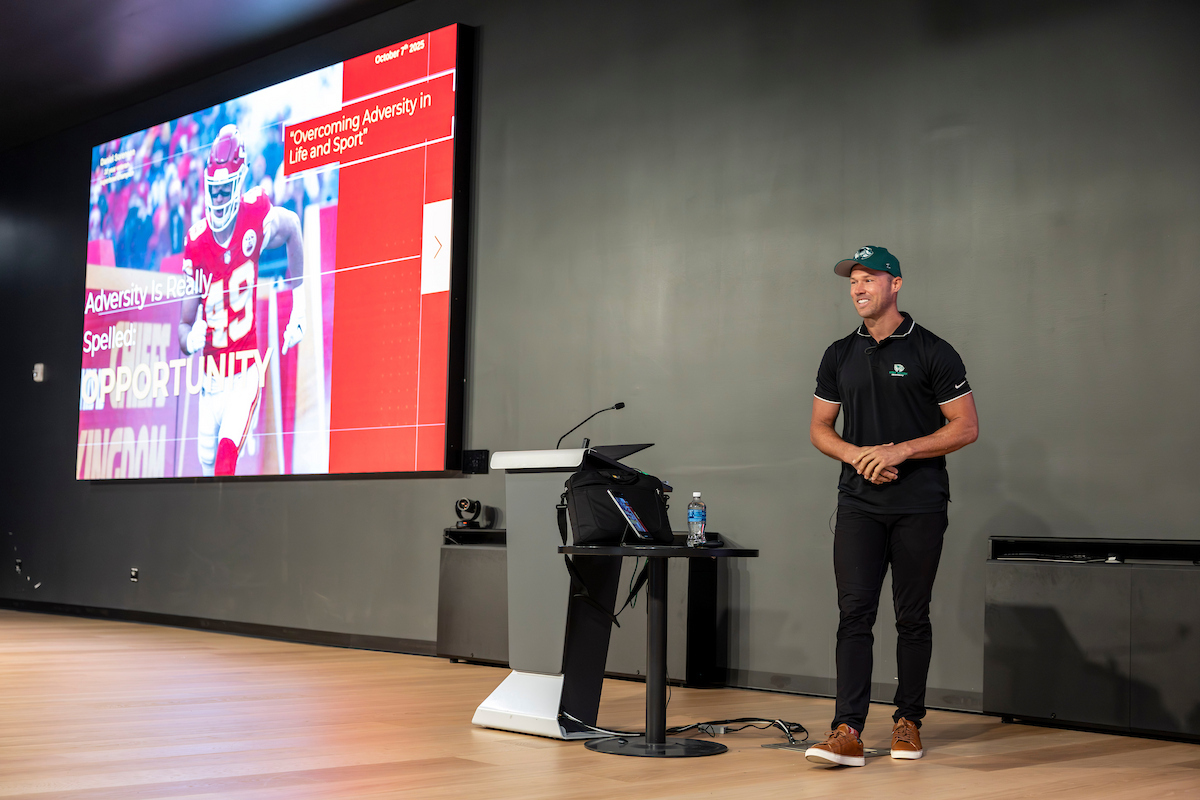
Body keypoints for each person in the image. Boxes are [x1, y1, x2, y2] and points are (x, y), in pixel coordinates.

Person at [804, 246, 978, 767]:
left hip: (919, 504)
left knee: (911, 616)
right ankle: (847, 730)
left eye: (869, 279)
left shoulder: (933, 350)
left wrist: (899, 450)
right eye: (853, 281)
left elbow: (965, 427)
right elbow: (819, 428)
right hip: (858, 502)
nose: (858, 288)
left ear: (896, 284)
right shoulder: (838, 354)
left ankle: (908, 722)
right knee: (853, 614)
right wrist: (858, 455)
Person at [178, 124, 306, 476]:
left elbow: (293, 225)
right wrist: (190, 339)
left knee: (225, 462)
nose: (218, 199)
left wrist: (299, 304)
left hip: (245, 371)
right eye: (214, 191)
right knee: (207, 470)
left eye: (225, 191)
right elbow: (183, 325)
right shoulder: (196, 243)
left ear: (240, 183)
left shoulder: (255, 212)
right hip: (210, 379)